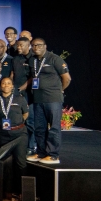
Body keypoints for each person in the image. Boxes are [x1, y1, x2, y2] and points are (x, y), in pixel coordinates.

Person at [28, 38, 70, 166]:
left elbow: (67, 78)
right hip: (38, 99)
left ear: (45, 46)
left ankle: (53, 155)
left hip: (53, 99)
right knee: (39, 128)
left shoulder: (54, 59)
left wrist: (60, 90)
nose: (36, 47)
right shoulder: (33, 60)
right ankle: (41, 152)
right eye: (33, 45)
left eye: (39, 45)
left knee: (53, 127)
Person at [0, 76, 30, 193]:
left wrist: (17, 123)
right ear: (0, 86)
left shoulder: (20, 99)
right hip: (3, 135)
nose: (6, 85)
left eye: (8, 83)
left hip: (19, 134)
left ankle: (21, 191)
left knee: (20, 163)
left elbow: (25, 114)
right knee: (4, 163)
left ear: (12, 86)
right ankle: (6, 191)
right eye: (3, 83)